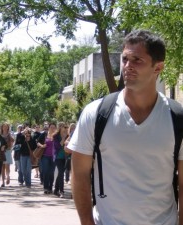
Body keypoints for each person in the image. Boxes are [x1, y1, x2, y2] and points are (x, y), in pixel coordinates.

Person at [68, 30, 183, 225]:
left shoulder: (176, 118)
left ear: (158, 67)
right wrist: (87, 222)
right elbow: (79, 174)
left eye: (137, 60)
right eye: (125, 59)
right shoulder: (96, 113)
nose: (127, 66)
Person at [37, 122, 56, 194]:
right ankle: (45, 187)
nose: (52, 129)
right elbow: (38, 142)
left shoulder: (56, 136)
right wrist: (42, 146)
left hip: (53, 157)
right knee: (45, 172)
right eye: (51, 127)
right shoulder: (44, 134)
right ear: (49, 128)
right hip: (45, 156)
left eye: (54, 127)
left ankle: (50, 187)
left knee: (51, 172)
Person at [53, 122, 69, 198]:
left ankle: (56, 190)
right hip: (58, 157)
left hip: (65, 157)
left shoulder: (68, 136)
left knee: (60, 173)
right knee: (61, 173)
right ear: (59, 127)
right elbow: (58, 145)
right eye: (63, 127)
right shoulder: (55, 136)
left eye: (65, 127)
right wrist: (63, 138)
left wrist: (67, 138)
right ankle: (61, 191)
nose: (65, 128)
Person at [0, 122, 14, 187]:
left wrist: (10, 147)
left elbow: (13, 141)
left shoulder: (9, 134)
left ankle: (8, 176)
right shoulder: (0, 134)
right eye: (4, 126)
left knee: (7, 166)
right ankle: (3, 181)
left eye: (6, 127)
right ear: (2, 127)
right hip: (1, 152)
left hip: (7, 151)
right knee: (2, 167)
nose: (5, 128)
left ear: (8, 128)